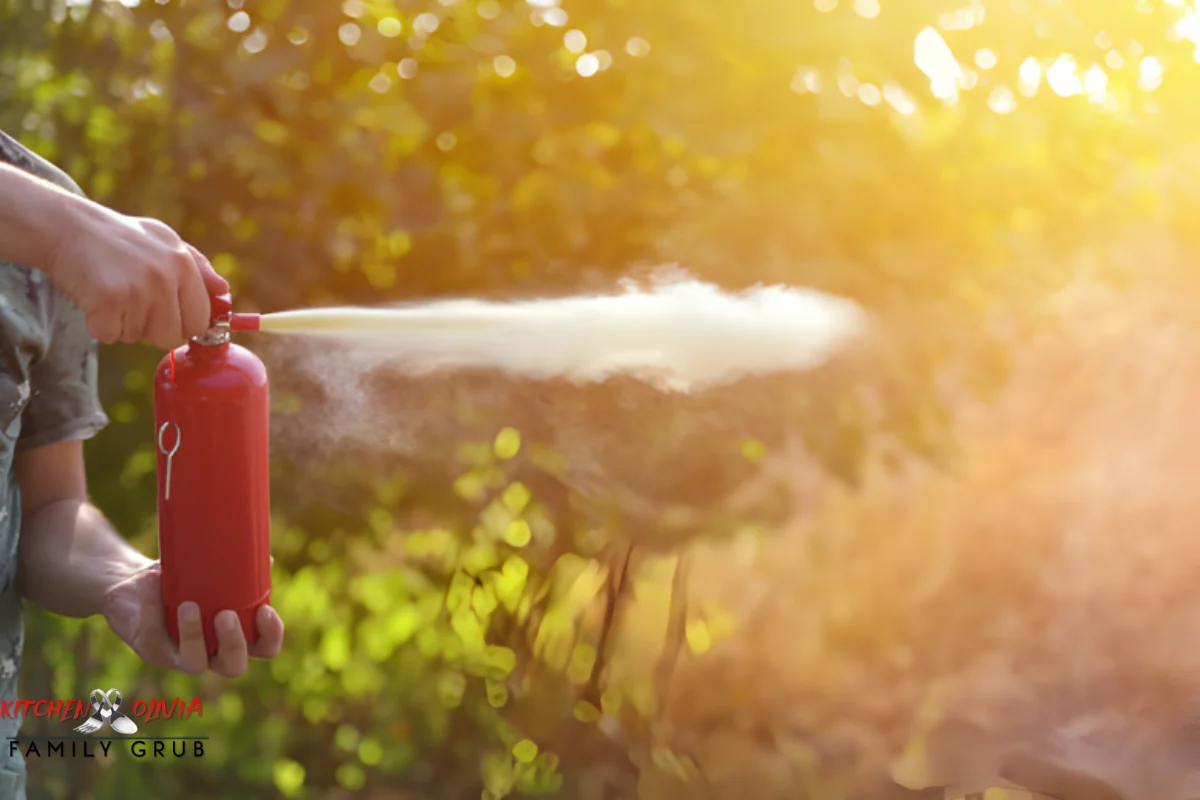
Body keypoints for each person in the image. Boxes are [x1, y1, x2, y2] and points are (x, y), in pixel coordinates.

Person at [0, 130, 284, 795]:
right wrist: (64, 232)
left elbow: (48, 507)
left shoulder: (42, 206)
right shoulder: (54, 224)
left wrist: (122, 583)